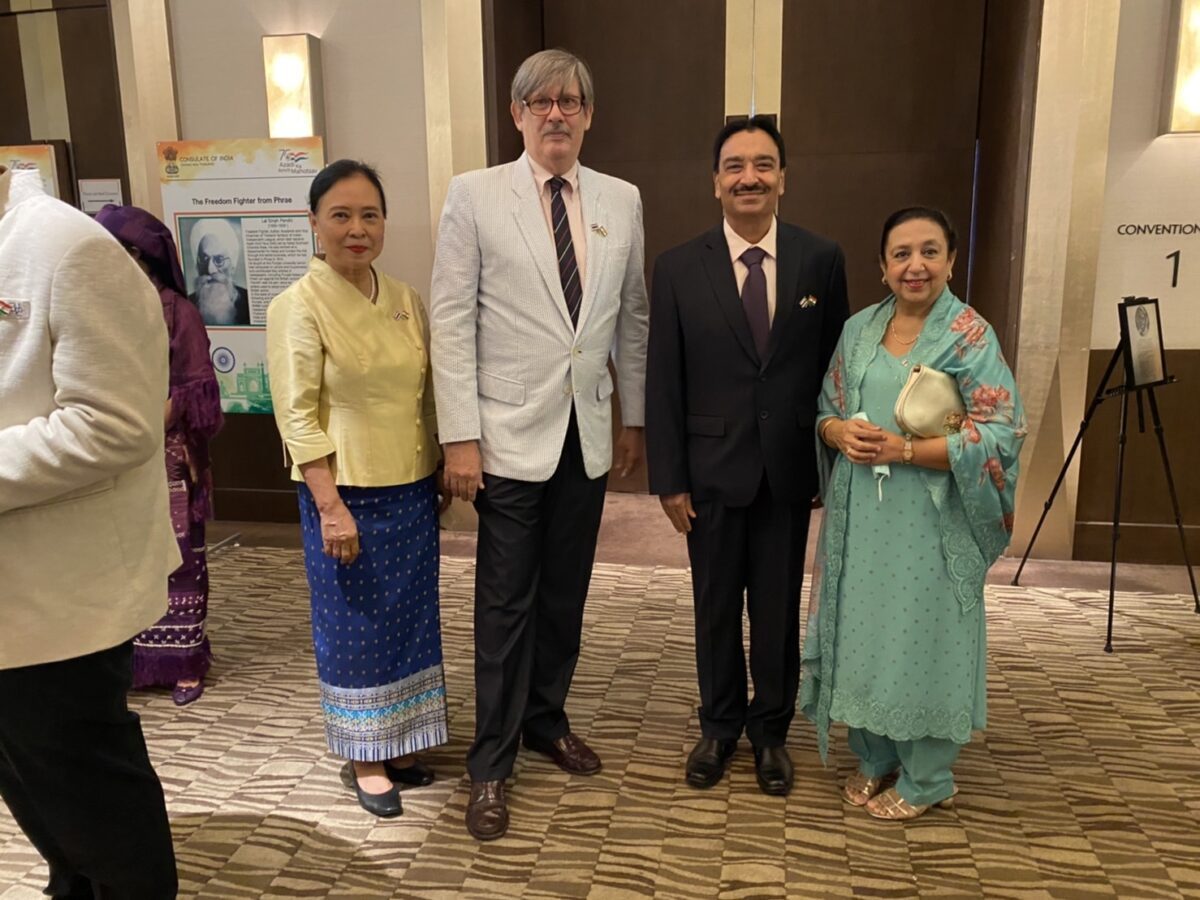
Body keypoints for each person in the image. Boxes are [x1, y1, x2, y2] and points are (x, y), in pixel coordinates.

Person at [430, 48, 649, 840]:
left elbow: (631, 316)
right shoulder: (475, 194)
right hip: (505, 438)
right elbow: (451, 319)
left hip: (585, 433)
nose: (557, 113)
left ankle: (544, 719)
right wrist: (460, 438)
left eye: (570, 101)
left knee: (564, 595)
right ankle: (491, 762)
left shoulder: (621, 199)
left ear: (589, 114)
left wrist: (633, 417)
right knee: (505, 603)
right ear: (516, 114)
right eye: (541, 101)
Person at [800, 207, 1026, 820]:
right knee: (864, 631)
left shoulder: (969, 335)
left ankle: (927, 777)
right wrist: (837, 431)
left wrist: (904, 450)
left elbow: (1001, 432)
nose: (915, 265)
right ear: (882, 267)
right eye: (901, 254)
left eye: (930, 251)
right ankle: (875, 756)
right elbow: (826, 407)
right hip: (862, 520)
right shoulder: (859, 330)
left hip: (932, 519)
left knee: (922, 636)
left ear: (951, 261)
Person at [646, 117, 849, 797]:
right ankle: (718, 727)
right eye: (735, 166)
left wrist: (827, 461)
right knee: (713, 608)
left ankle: (770, 734)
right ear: (716, 182)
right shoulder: (678, 266)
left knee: (776, 609)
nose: (749, 177)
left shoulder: (820, 259)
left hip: (789, 470)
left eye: (763, 165)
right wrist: (669, 478)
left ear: (783, 178)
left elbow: (835, 370)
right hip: (708, 472)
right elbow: (663, 379)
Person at [0, 165, 180, 896]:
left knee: (92, 792)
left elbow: (114, 425)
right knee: (29, 781)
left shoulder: (69, 247)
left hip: (59, 598)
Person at [267, 159, 450, 818]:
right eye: (340, 215)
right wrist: (330, 506)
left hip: (410, 487)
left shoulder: (404, 298)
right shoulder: (297, 305)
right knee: (354, 627)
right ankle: (364, 756)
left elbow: (426, 392)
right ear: (314, 224)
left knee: (410, 620)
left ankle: (400, 743)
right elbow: (296, 415)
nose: (356, 229)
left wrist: (437, 464)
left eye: (369, 215)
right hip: (345, 495)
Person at [96, 204, 225, 706]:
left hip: (164, 450)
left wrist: (144, 427)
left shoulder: (177, 311)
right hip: (107, 454)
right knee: (120, 561)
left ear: (140, 256)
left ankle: (182, 662)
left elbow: (193, 389)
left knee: (177, 560)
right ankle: (133, 663)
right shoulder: (96, 305)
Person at [188, 217, 250, 325]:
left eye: (219, 260)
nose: (210, 269)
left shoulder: (248, 302)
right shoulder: (187, 304)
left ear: (232, 266)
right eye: (204, 259)